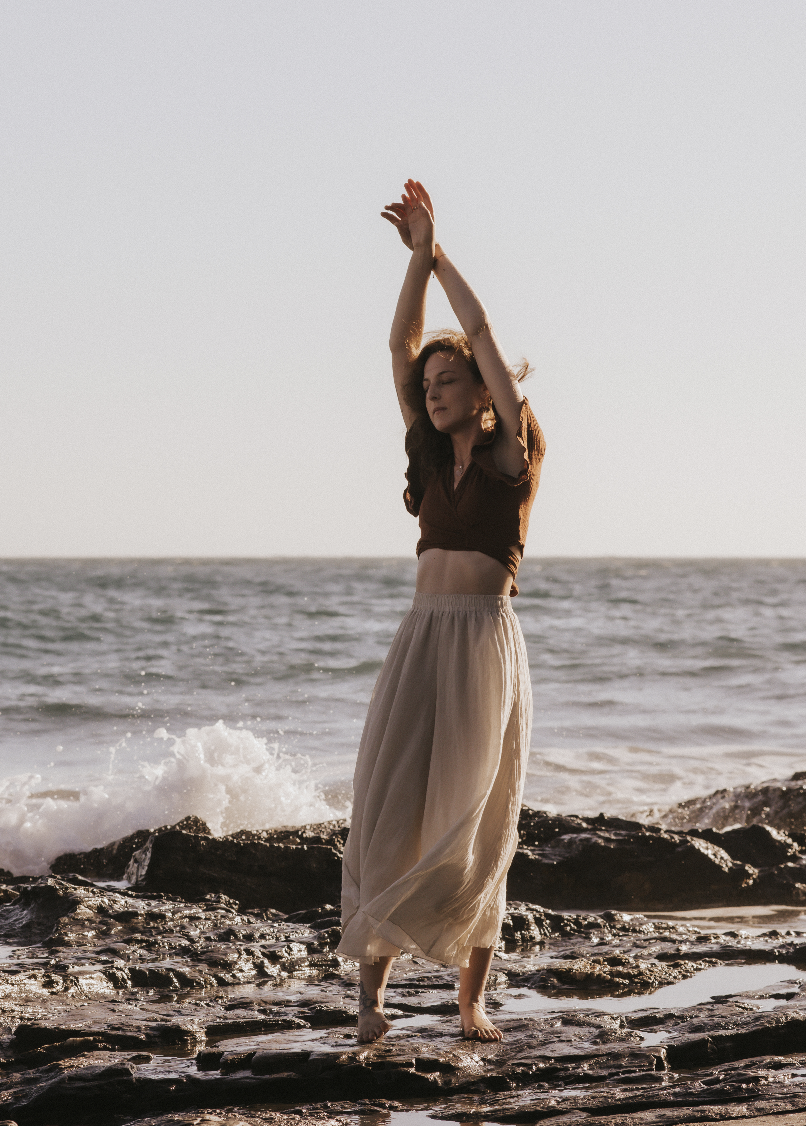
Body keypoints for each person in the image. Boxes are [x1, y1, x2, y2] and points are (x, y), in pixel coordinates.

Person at [340, 180, 546, 1043]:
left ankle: (469, 1000)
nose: (431, 388)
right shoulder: (426, 456)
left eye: (448, 378)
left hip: (485, 646)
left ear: (482, 391)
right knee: (389, 804)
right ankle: (372, 1002)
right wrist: (414, 260)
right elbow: (398, 342)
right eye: (429, 380)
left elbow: (488, 337)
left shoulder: (514, 453)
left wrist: (445, 253)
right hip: (421, 642)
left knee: (478, 815)